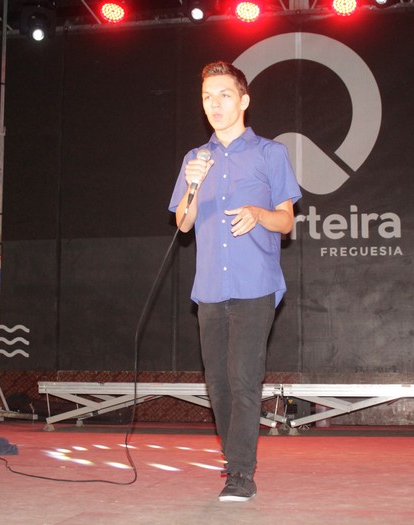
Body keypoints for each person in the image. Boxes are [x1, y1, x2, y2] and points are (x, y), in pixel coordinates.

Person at [168, 61, 302, 502]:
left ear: (243, 100)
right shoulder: (194, 159)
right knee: (218, 384)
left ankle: (242, 472)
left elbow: (286, 222)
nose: (215, 104)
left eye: (224, 95)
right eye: (207, 97)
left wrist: (259, 214)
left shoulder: (270, 153)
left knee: (244, 377)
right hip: (209, 287)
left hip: (254, 284)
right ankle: (235, 459)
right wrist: (192, 187)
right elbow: (183, 224)